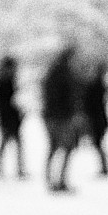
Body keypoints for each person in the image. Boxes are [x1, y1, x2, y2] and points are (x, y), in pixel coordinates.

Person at [39, 48, 82, 193]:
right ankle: (57, 180)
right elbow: (66, 97)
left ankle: (53, 180)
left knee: (55, 148)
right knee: (63, 147)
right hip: (60, 117)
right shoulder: (64, 74)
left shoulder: (55, 73)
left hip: (55, 116)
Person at [0, 55, 27, 179]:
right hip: (8, 118)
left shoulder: (4, 80)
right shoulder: (4, 81)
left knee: (10, 144)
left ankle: (1, 167)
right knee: (10, 143)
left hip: (9, 117)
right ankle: (12, 168)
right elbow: (4, 102)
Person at [78, 61, 108, 178]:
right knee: (98, 144)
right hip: (98, 119)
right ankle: (104, 166)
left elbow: (91, 104)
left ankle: (105, 167)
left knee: (99, 144)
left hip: (96, 119)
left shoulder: (95, 87)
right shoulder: (99, 86)